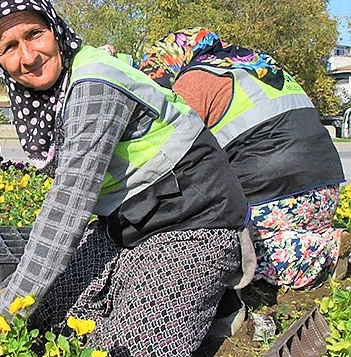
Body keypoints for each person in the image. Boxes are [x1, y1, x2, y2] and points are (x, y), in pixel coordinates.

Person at [0, 0, 256, 354]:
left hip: (193, 222)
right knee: (45, 314)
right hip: (132, 224)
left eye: (34, 34)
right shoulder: (59, 91)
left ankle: (216, 302)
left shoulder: (94, 85)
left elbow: (67, 208)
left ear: (55, 30)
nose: (27, 56)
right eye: (9, 47)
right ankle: (145, 287)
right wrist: (14, 304)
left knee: (129, 347)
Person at [139, 27, 349, 289]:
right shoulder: (262, 66)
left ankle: (322, 252)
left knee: (227, 254)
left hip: (279, 195)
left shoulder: (192, 81)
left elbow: (172, 154)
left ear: (170, 61)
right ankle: (318, 234)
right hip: (325, 193)